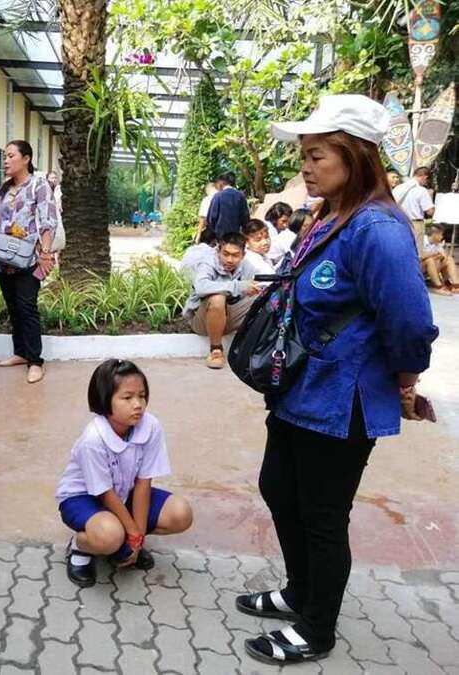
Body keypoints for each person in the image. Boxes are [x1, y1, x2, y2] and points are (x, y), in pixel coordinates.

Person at [233, 94, 439, 666]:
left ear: (356, 155)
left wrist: (405, 382)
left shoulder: (378, 229)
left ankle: (316, 626)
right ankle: (300, 591)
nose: (305, 167)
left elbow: (410, 323)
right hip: (300, 387)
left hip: (342, 400)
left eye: (317, 155)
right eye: (304, 155)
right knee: (279, 488)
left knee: (322, 515)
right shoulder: (330, 215)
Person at [56, 359, 193, 588]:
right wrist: (131, 532)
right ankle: (80, 546)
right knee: (110, 536)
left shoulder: (151, 426)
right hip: (83, 498)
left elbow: (143, 483)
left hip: (123, 493)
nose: (138, 404)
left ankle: (123, 545)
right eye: (127, 398)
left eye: (142, 395)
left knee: (181, 513)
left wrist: (137, 539)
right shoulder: (93, 439)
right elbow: (104, 493)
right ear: (105, 400)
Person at [0, 140, 57, 384]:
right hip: (3, 259)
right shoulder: (2, 188)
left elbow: (48, 221)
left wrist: (45, 254)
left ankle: (35, 361)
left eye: (10, 156)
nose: (5, 160)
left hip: (29, 260)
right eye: (4, 156)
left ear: (26, 158)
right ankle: (20, 352)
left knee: (27, 308)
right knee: (13, 307)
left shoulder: (39, 185)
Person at [183, 231, 261, 369]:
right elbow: (201, 287)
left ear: (243, 255)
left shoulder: (246, 266)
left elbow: (257, 287)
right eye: (225, 254)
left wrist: (254, 289)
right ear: (218, 250)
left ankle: (256, 346)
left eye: (235, 255)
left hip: (228, 317)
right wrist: (239, 286)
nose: (229, 260)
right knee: (217, 298)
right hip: (202, 321)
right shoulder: (207, 263)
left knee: (264, 298)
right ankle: (216, 351)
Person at [392, 166, 435, 256]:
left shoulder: (397, 188)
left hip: (398, 223)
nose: (426, 183)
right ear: (425, 177)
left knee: (401, 251)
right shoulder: (421, 190)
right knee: (416, 253)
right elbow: (430, 212)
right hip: (415, 224)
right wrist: (430, 196)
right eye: (427, 181)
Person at [206, 171, 250, 237]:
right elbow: (245, 217)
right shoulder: (241, 196)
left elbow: (211, 218)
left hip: (221, 234)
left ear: (222, 182)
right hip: (237, 234)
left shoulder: (218, 196)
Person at [422, 224, 458, 295]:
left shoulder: (437, 243)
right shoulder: (422, 240)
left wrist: (442, 256)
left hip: (432, 268)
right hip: (419, 268)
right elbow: (419, 257)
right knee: (429, 260)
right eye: (441, 235)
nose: (442, 237)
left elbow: (443, 255)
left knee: (449, 259)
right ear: (435, 235)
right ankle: (438, 287)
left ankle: (455, 285)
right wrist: (434, 254)